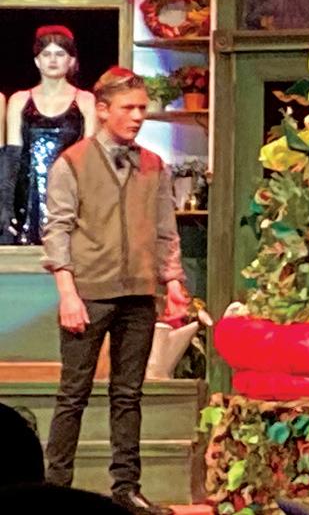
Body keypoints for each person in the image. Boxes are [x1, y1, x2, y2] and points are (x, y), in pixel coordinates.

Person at [40, 67, 188, 515]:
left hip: (138, 293)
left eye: (142, 108)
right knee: (73, 394)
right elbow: (57, 230)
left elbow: (165, 229)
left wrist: (173, 282)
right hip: (88, 293)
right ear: (103, 110)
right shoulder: (73, 162)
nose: (138, 116)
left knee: (128, 395)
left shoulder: (153, 164)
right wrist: (68, 293)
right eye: (129, 108)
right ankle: (55, 488)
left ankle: (126, 488)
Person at [3, 25, 96, 245]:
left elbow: (91, 158)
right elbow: (12, 159)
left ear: (71, 60)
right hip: (28, 195)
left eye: (60, 54)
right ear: (37, 61)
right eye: (46, 54)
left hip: (70, 192)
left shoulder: (85, 100)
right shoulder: (19, 100)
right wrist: (5, 207)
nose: (52, 60)